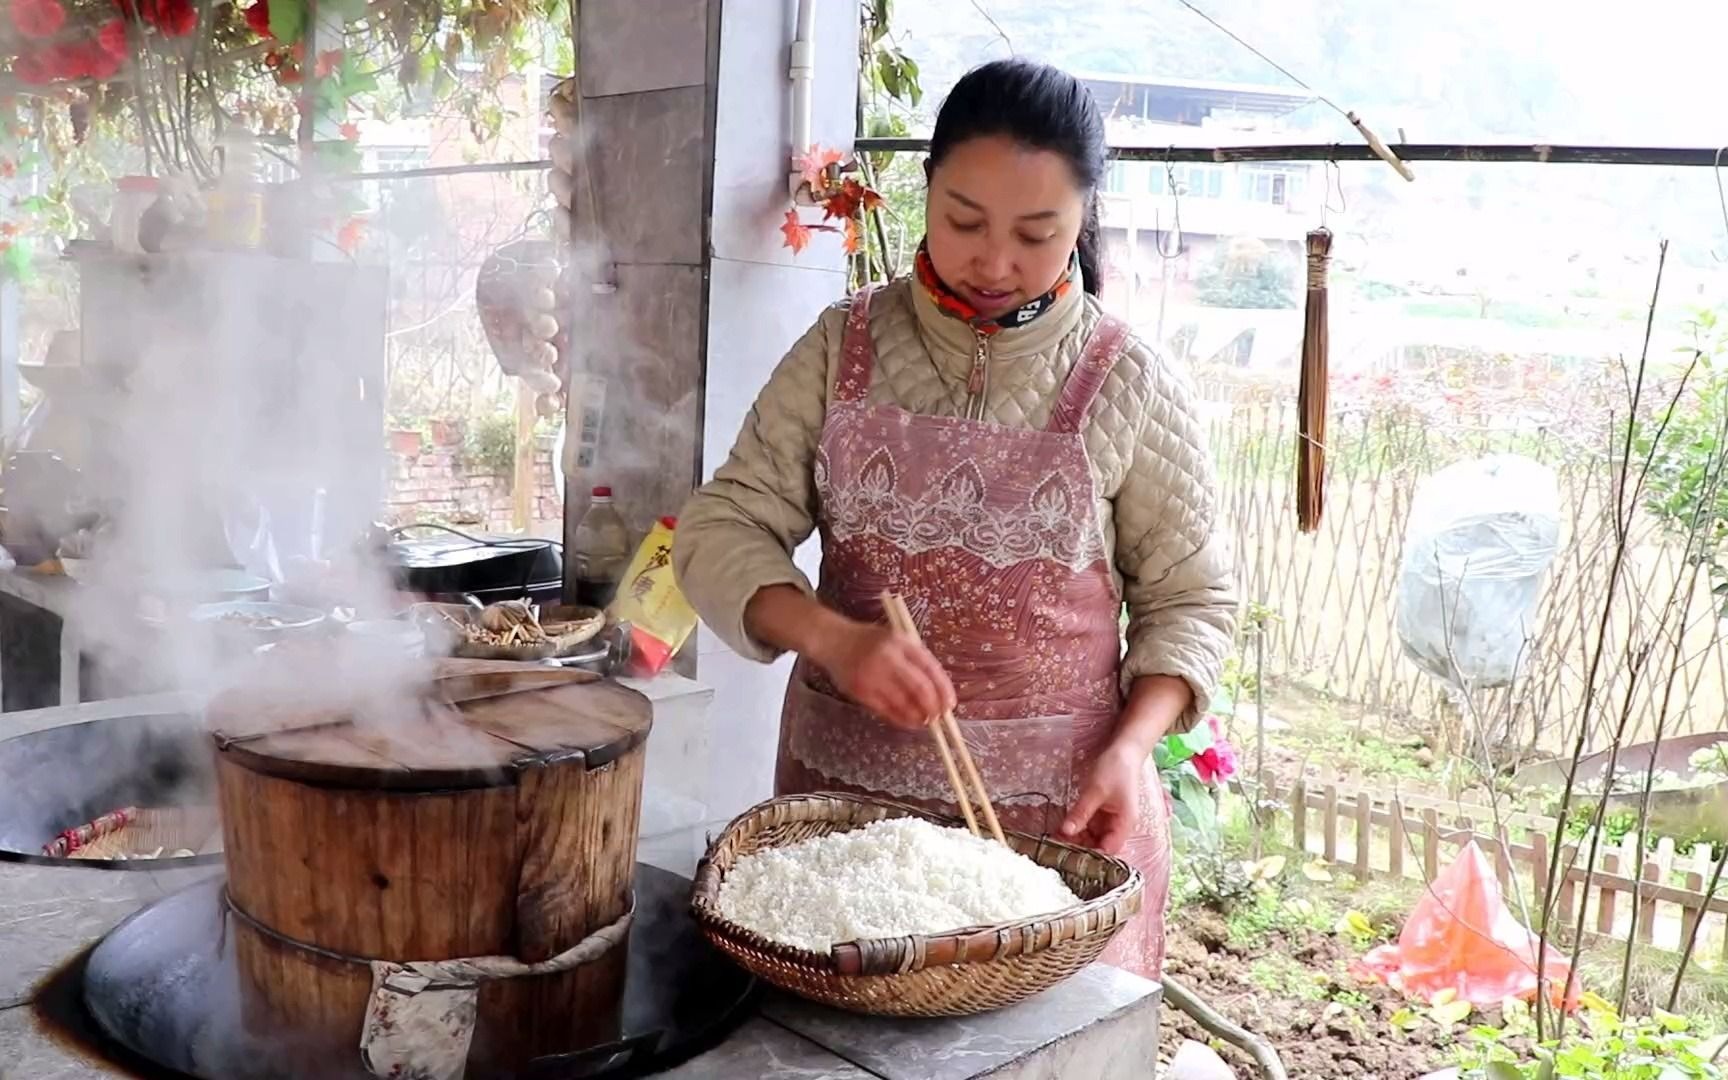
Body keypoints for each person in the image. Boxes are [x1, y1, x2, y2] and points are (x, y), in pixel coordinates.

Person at [673, 57, 1235, 978]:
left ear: (1083, 221)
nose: (994, 261)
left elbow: (1193, 602)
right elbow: (718, 530)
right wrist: (834, 640)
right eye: (964, 220)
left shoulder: (1128, 384)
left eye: (1036, 233)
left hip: (1058, 838)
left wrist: (1131, 750)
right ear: (926, 191)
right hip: (843, 833)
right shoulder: (842, 348)